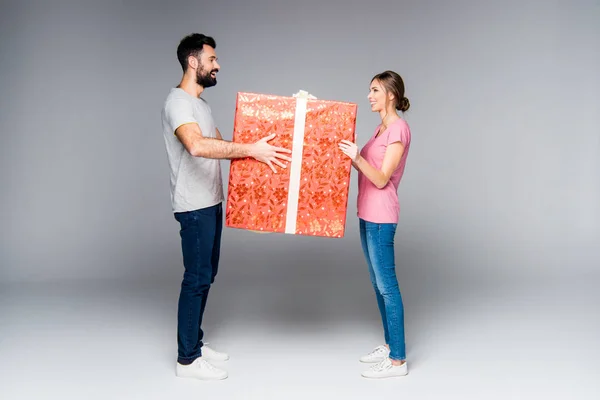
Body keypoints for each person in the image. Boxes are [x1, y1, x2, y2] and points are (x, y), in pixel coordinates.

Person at [161, 33, 292, 380]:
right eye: (212, 59)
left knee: (207, 276)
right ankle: (187, 359)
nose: (217, 65)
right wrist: (250, 148)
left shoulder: (200, 105)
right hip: (194, 205)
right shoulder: (178, 102)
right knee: (197, 278)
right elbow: (197, 146)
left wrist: (280, 124)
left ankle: (196, 344)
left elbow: (222, 144)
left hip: (211, 201)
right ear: (194, 62)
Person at [338, 70, 412, 379]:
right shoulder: (380, 128)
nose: (369, 95)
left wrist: (356, 158)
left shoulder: (398, 129)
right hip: (366, 215)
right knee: (376, 285)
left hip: (382, 218)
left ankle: (398, 360)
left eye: (375, 90)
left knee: (387, 287)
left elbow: (381, 178)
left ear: (390, 95)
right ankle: (389, 343)